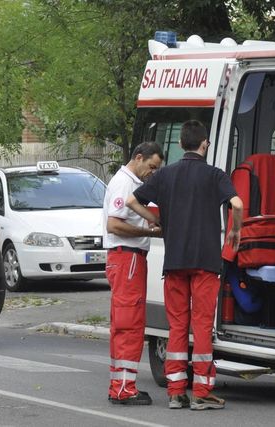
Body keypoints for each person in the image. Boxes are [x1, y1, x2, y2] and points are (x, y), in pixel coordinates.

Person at [126, 120, 243, 411]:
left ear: (180, 144)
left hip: (175, 261)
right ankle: (202, 392)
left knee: (177, 326)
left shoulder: (165, 175)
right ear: (205, 144)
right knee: (201, 326)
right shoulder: (215, 175)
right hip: (205, 262)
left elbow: (131, 201)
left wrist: (156, 221)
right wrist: (235, 230)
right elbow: (237, 205)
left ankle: (176, 392)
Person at [103, 142, 164, 405]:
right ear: (138, 158)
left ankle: (119, 382)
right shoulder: (125, 184)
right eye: (151, 166)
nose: (152, 173)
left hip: (123, 258)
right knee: (131, 323)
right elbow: (115, 224)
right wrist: (149, 232)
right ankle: (124, 387)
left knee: (122, 322)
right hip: (128, 256)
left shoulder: (127, 182)